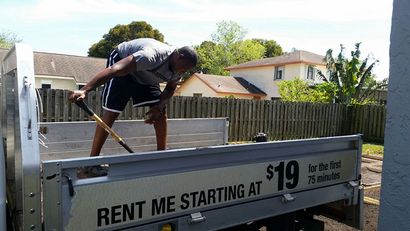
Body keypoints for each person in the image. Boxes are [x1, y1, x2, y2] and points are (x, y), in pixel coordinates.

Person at [69, 38, 198, 177]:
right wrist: (85, 90)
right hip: (123, 65)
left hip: (146, 76)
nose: (182, 72)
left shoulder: (179, 70)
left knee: (160, 112)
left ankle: (161, 155)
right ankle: (91, 164)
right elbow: (114, 69)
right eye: (183, 68)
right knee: (112, 112)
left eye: (185, 70)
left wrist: (159, 106)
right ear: (179, 56)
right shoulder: (151, 55)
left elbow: (170, 89)